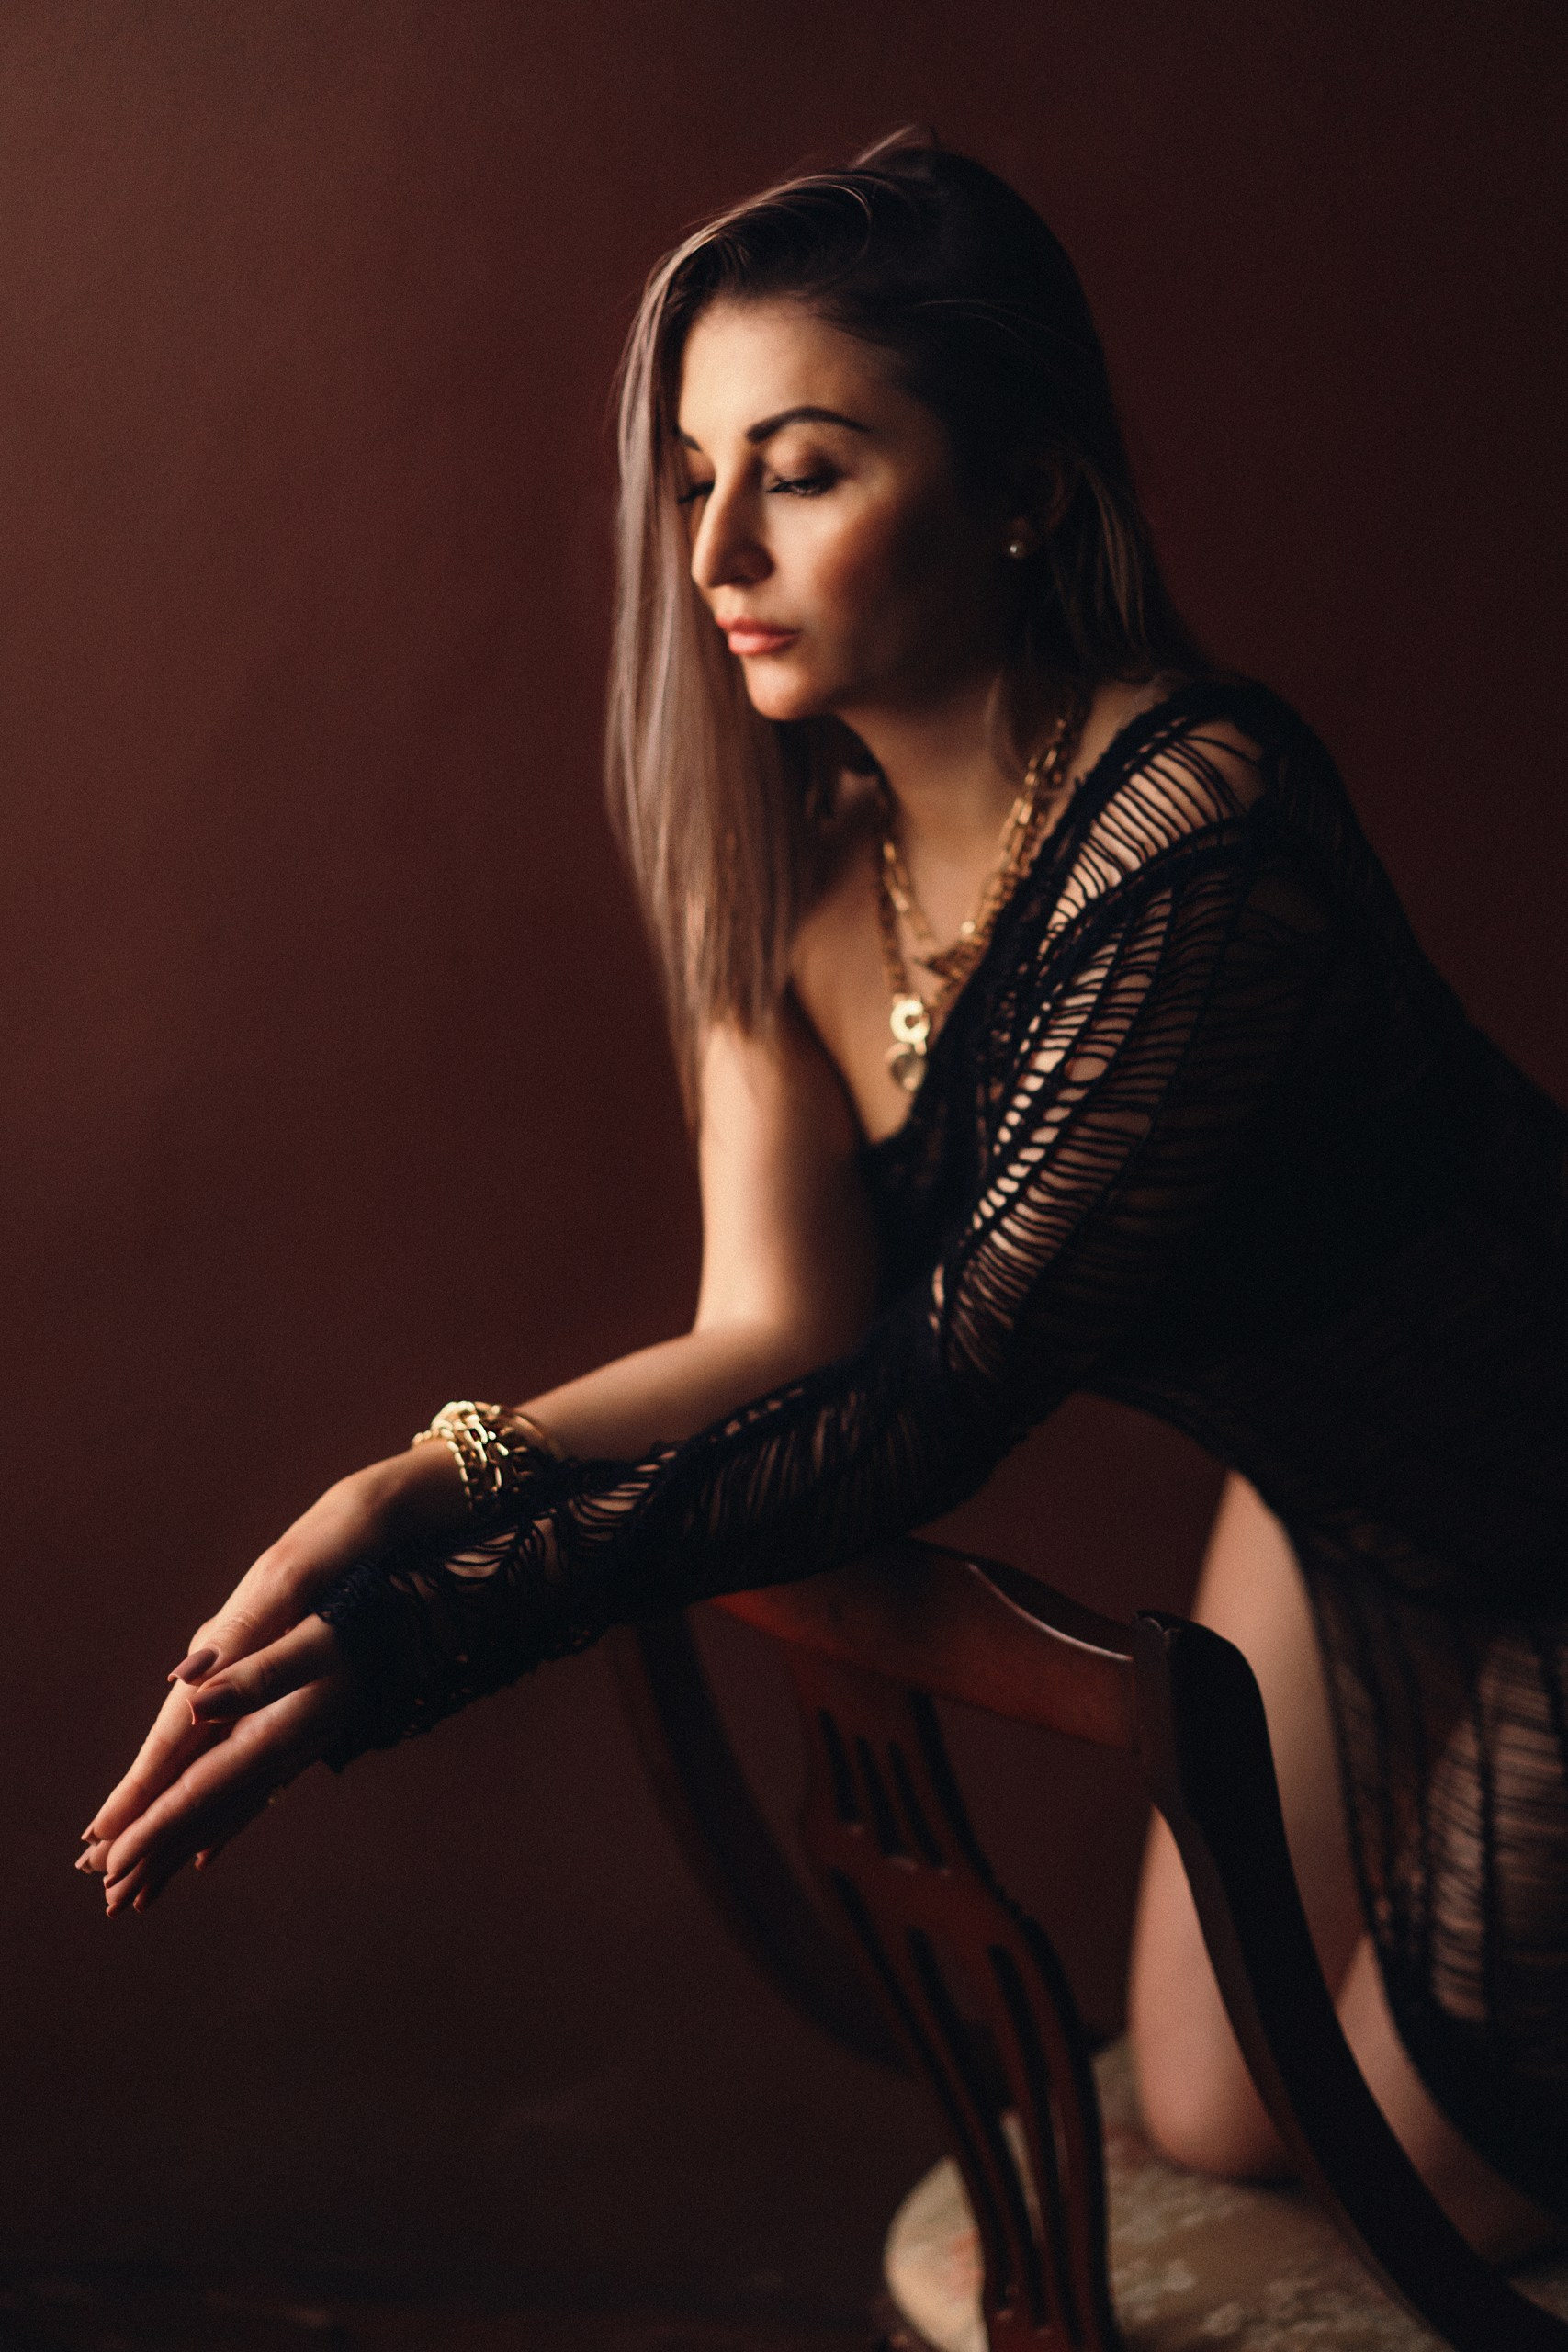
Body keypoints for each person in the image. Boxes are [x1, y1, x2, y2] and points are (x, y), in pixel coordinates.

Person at [79, 131, 1566, 2266]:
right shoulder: (798, 875)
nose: (715, 549)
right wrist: (420, 1478)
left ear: (1019, 487)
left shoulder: (1195, 831)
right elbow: (772, 1332)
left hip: (1543, 1489)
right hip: (1329, 1506)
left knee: (1416, 2196)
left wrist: (420, 1643)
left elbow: (918, 1403)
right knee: (1216, 2112)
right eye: (695, 475)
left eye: (800, 469)